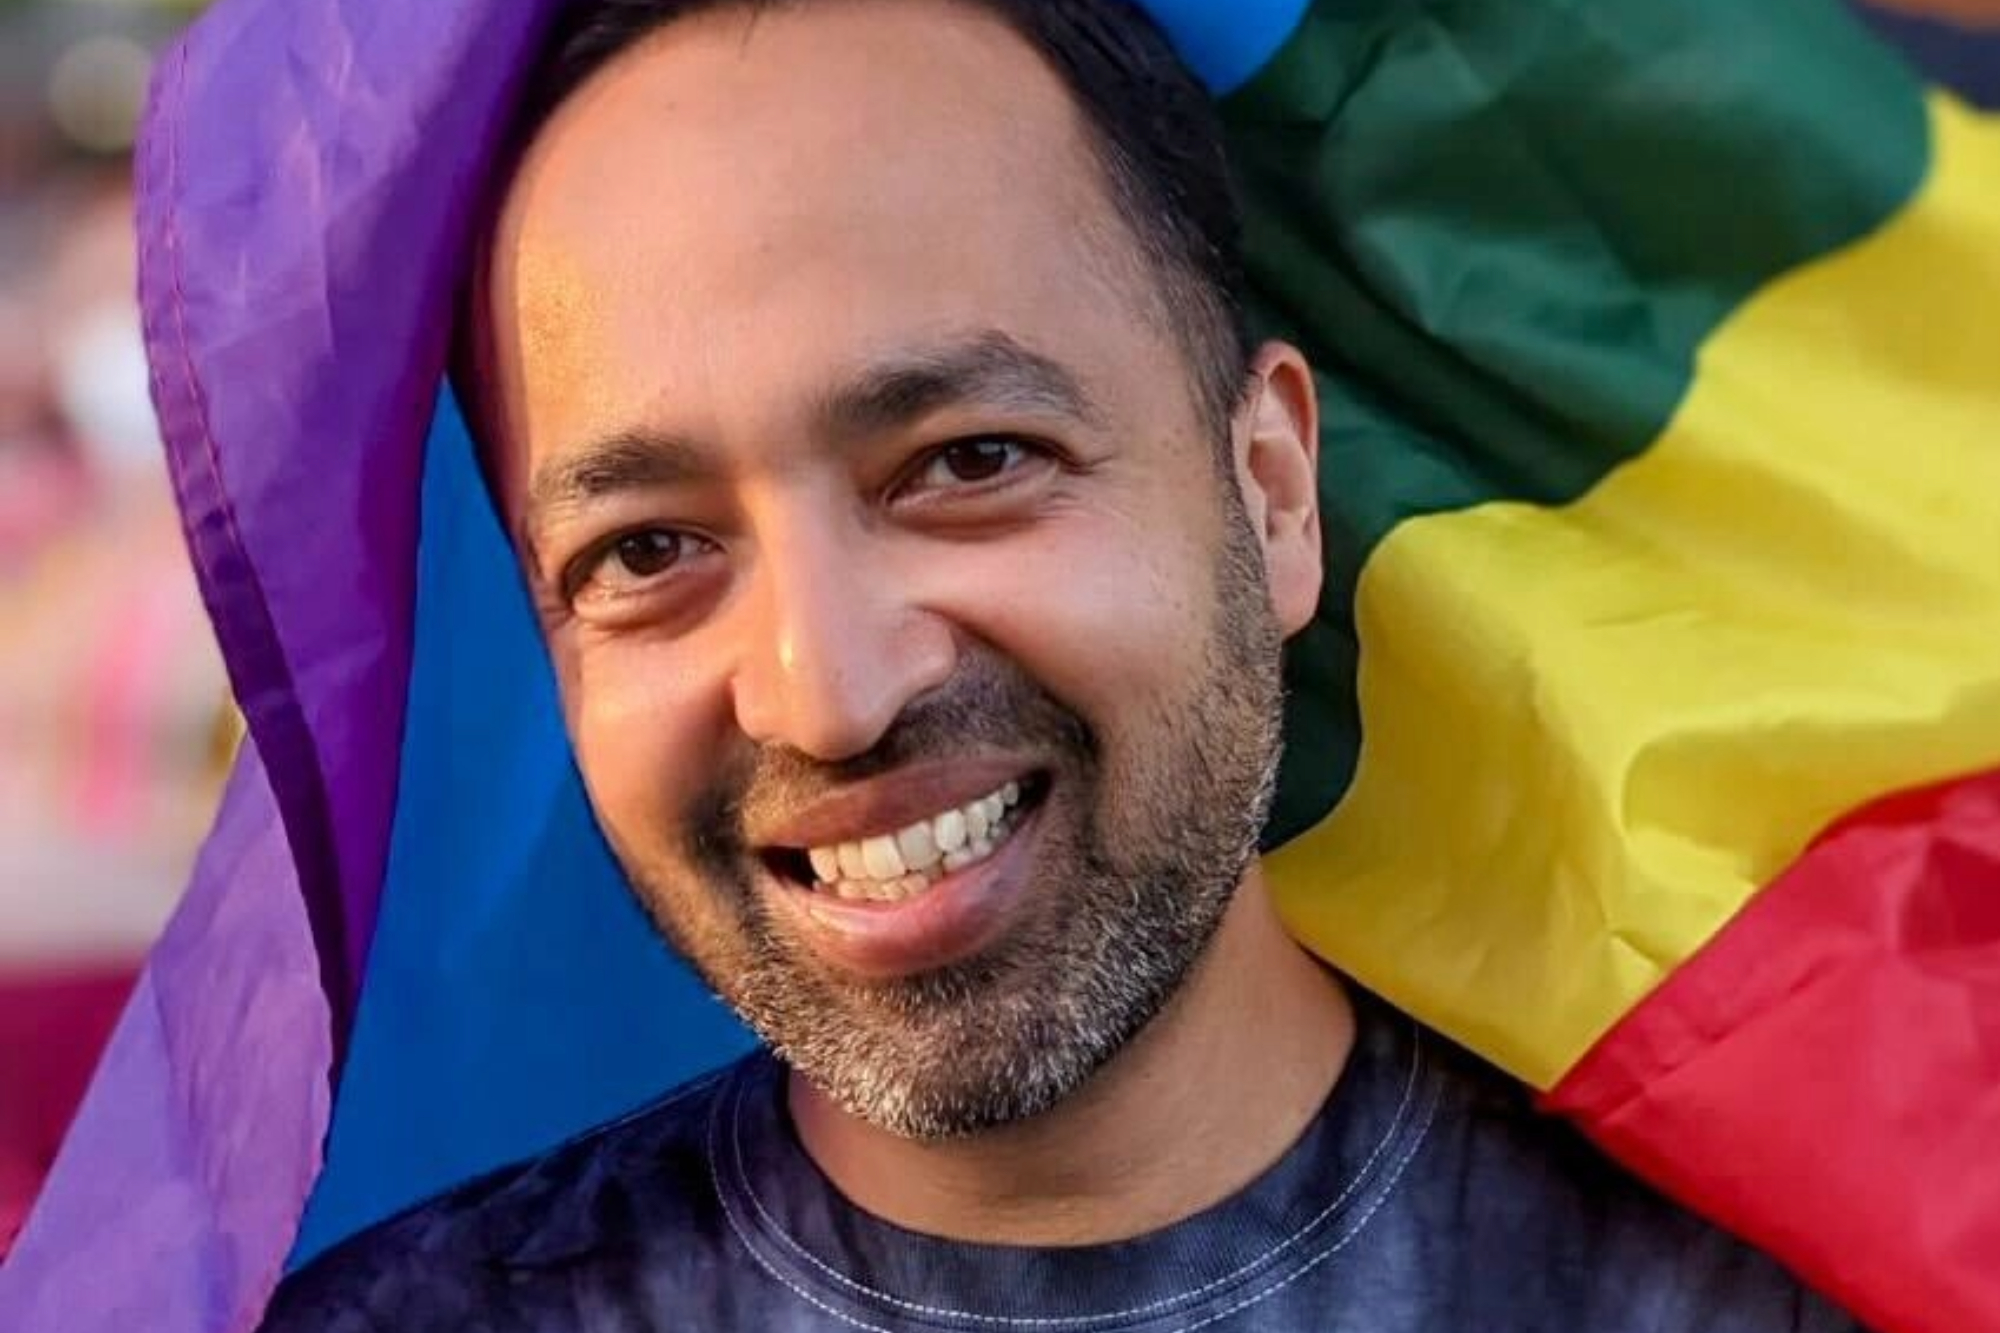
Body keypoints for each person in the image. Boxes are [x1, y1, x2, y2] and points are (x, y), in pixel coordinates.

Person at [262, 1, 1864, 1328]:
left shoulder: (1780, 1283)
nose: (828, 691)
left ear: (1275, 494)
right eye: (650, 552)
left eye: (967, 461)